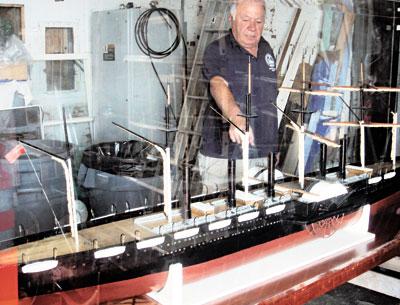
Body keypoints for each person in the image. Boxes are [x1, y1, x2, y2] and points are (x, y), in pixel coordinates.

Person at [198, 0, 279, 192]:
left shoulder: (266, 49)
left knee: (257, 213)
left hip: (260, 155)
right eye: (246, 20)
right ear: (231, 19)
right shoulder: (217, 49)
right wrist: (235, 117)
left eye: (259, 21)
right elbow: (218, 84)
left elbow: (269, 100)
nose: (253, 27)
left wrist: (273, 147)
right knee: (218, 214)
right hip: (222, 157)